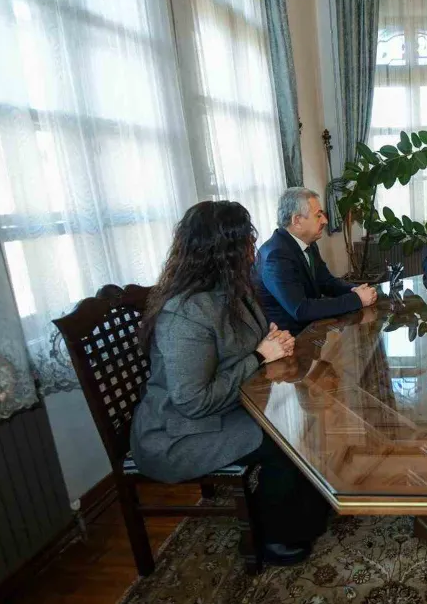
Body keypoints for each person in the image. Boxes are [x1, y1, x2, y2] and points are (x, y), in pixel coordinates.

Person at [130, 201, 327, 566]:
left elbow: (242, 346)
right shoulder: (185, 314)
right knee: (283, 440)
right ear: (223, 251)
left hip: (228, 406)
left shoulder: (232, 290)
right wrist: (260, 356)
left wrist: (271, 340)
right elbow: (193, 401)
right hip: (178, 433)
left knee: (304, 412)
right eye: (246, 242)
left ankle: (303, 513)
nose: (254, 248)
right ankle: (271, 538)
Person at [254, 187, 377, 336]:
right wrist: (356, 300)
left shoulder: (308, 244)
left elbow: (327, 282)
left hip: (312, 330)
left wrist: (355, 290)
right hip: (291, 340)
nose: (325, 220)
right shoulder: (276, 255)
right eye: (318, 215)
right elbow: (301, 309)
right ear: (297, 221)